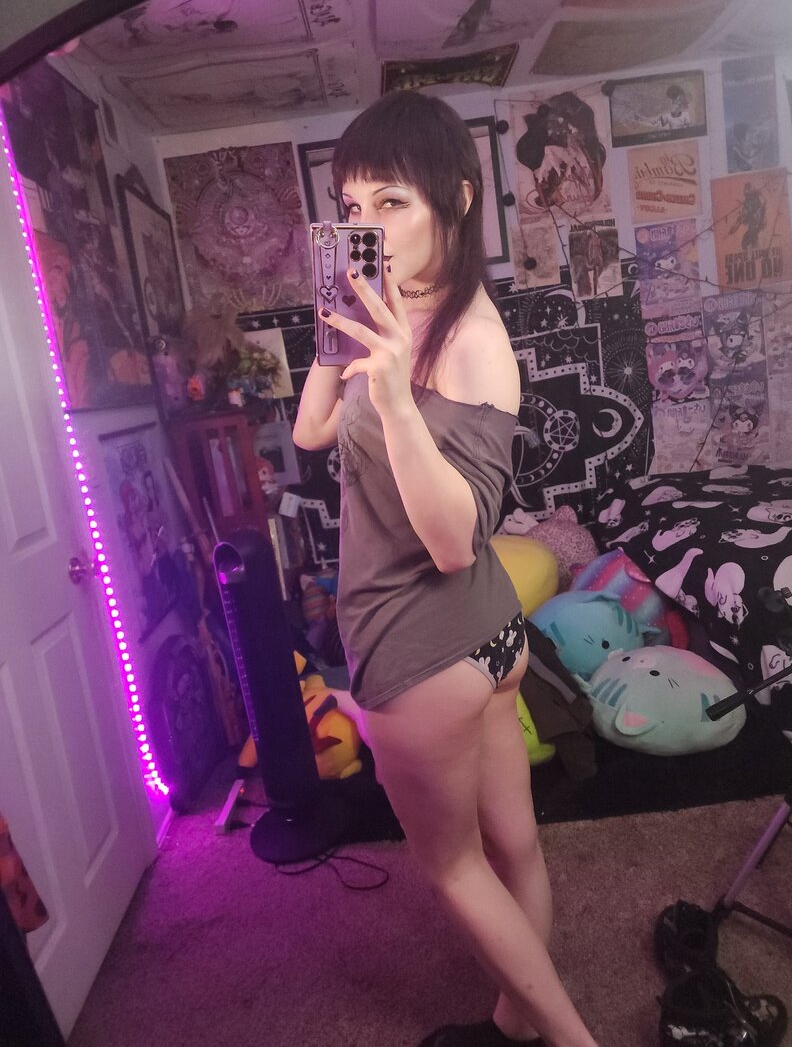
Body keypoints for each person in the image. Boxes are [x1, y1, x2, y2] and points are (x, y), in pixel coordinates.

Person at [293, 91, 599, 1047]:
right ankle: (515, 1024)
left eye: (393, 203)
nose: (369, 228)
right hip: (488, 635)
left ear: (458, 201)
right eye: (353, 208)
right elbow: (311, 432)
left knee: (457, 866)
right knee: (513, 845)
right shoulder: (392, 311)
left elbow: (456, 540)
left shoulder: (471, 337)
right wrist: (338, 328)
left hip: (422, 644)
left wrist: (393, 396)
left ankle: (569, 1035)